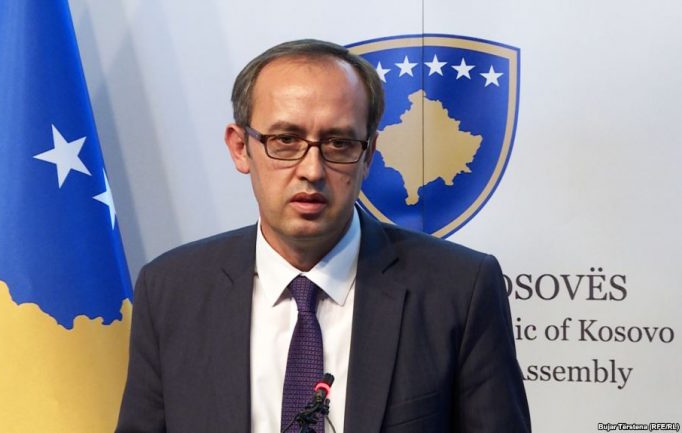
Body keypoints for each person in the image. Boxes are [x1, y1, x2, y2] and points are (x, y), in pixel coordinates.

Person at [115, 39, 530, 433]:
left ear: (368, 155)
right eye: (285, 140)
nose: (312, 170)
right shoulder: (171, 290)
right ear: (240, 147)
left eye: (338, 143)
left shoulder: (458, 289)